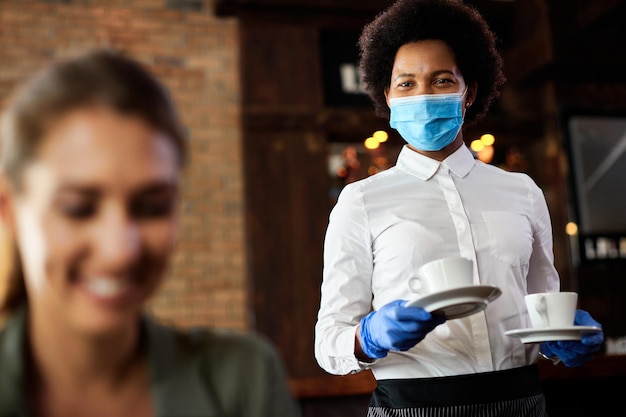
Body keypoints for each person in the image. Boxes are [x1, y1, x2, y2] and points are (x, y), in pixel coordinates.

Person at [314, 1, 604, 415]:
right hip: (411, 408)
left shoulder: (522, 191)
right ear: (388, 97)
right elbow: (328, 344)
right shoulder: (359, 201)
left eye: (442, 80)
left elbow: (543, 312)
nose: (423, 95)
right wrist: (370, 336)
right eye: (407, 84)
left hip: (521, 404)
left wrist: (568, 338)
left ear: (470, 92)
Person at [0, 49, 301, 417]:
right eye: (79, 208)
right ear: (9, 208)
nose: (120, 250)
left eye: (152, 208)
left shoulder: (243, 377)